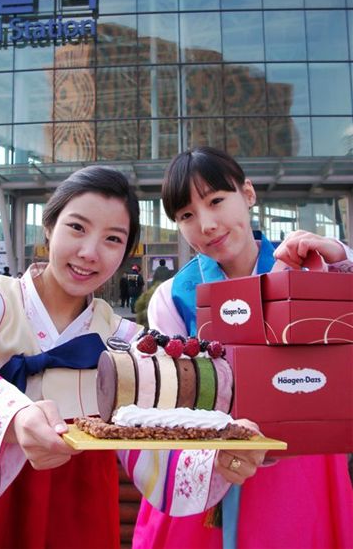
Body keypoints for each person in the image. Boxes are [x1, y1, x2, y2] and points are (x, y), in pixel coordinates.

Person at [130, 147, 353, 549]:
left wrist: (340, 263)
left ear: (247, 193)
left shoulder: (308, 265)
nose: (207, 224)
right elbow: (167, 399)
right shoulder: (173, 296)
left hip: (300, 466)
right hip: (209, 467)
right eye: (186, 215)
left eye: (216, 201)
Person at [0, 166, 142, 549]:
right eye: (77, 227)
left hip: (77, 499)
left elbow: (151, 428)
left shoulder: (122, 338)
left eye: (113, 239)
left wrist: (216, 457)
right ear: (49, 226)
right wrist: (13, 417)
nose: (89, 252)